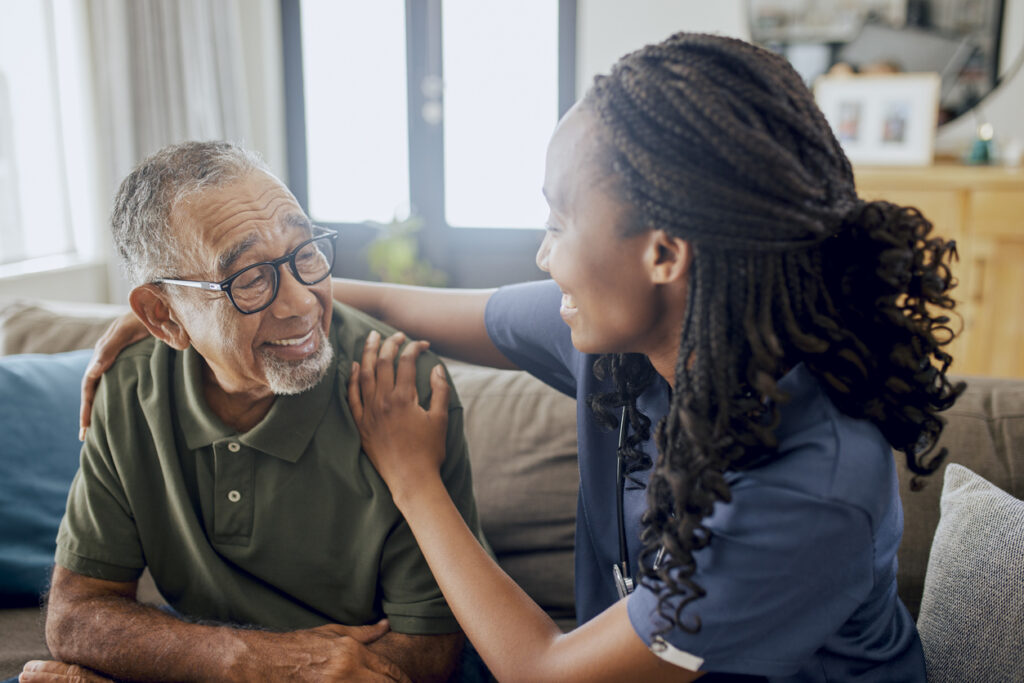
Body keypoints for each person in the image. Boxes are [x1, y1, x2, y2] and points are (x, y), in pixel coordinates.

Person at [76, 34, 962, 681]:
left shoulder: (809, 488)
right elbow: (388, 300)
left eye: (557, 222)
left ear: (663, 253)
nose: (543, 257)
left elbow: (542, 671)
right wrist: (196, 312)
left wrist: (412, 476)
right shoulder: (629, 337)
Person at [21, 141, 484, 683]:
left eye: (306, 252)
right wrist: (253, 661)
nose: (302, 304)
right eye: (249, 279)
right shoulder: (130, 386)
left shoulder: (400, 386)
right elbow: (76, 617)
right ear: (164, 317)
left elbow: (426, 655)